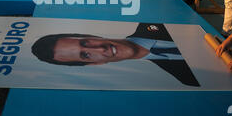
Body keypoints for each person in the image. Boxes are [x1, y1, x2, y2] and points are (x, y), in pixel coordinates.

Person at [32, 23, 200, 86]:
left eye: (85, 43)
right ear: (93, 64)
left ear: (91, 36)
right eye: (86, 55)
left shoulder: (155, 24)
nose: (100, 49)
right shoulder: (187, 79)